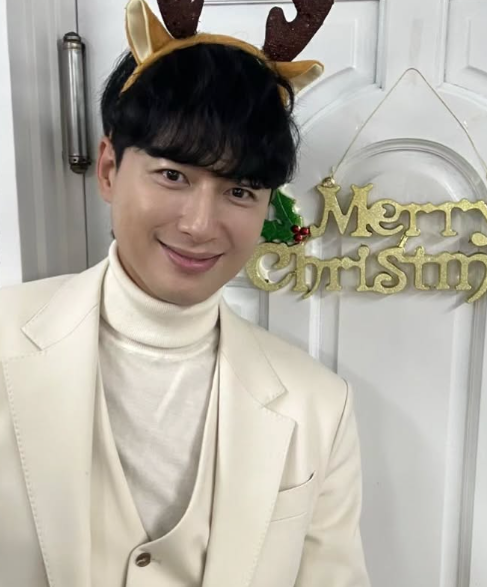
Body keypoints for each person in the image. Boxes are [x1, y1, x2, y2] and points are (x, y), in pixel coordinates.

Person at [0, 0, 370, 585]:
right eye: (173, 175)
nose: (200, 225)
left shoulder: (319, 406)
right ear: (108, 169)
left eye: (240, 191)